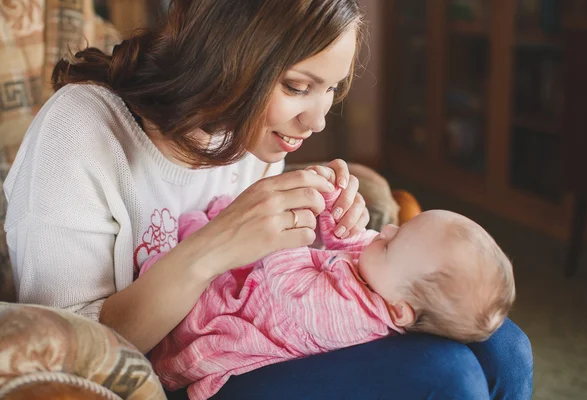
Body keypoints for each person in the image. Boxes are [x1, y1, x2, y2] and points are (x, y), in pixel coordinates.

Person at [3, 1, 533, 399]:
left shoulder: (246, 130)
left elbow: (271, 287)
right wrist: (214, 247)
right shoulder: (81, 131)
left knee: (505, 347)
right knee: (448, 376)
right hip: (185, 375)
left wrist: (326, 232)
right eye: (299, 86)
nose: (319, 119)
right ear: (226, 60)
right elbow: (71, 356)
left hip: (261, 345)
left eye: (332, 88)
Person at [140, 189, 515, 399]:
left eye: (391, 243)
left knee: (203, 268)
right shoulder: (387, 284)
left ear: (399, 312)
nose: (383, 232)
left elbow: (279, 280)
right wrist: (334, 211)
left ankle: (188, 242)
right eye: (398, 227)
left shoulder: (344, 315)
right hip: (267, 320)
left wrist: (289, 230)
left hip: (243, 336)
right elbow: (355, 246)